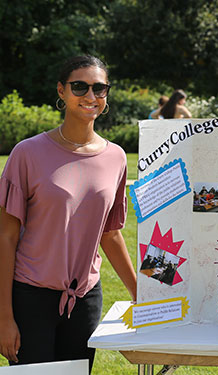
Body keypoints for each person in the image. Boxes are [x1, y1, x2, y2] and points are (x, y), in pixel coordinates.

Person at [0, 55, 137, 371]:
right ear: (61, 91)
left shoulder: (116, 157)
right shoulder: (27, 153)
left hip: (86, 299)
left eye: (100, 88)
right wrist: (4, 317)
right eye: (80, 87)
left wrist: (139, 292)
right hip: (30, 298)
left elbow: (110, 233)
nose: (91, 97)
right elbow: (5, 237)